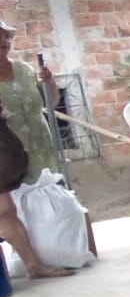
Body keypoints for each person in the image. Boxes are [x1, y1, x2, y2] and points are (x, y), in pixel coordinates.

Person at [0, 17, 73, 279]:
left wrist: (49, 84)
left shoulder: (23, 70)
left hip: (39, 148)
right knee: (8, 211)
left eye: (6, 36)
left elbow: (49, 102)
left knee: (39, 207)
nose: (4, 41)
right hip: (6, 156)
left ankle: (46, 257)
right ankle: (32, 263)